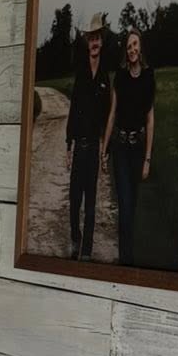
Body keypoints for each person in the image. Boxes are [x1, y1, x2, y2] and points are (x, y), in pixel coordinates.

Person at [107, 27, 155, 265]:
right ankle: (126, 259)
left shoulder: (148, 76)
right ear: (126, 53)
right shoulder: (121, 76)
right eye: (128, 46)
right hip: (121, 149)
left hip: (138, 150)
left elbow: (150, 119)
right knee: (125, 204)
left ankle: (127, 255)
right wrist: (104, 148)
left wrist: (147, 158)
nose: (132, 49)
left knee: (131, 206)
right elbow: (112, 114)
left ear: (140, 47)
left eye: (135, 44)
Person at [65, 16, 110, 260]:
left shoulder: (105, 77)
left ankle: (87, 251)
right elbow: (72, 110)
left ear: (102, 42)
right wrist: (67, 146)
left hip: (93, 148)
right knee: (74, 199)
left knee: (91, 203)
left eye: (97, 38)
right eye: (90, 38)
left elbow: (107, 115)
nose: (94, 42)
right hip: (78, 146)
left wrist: (105, 149)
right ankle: (75, 237)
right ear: (87, 42)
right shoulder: (81, 72)